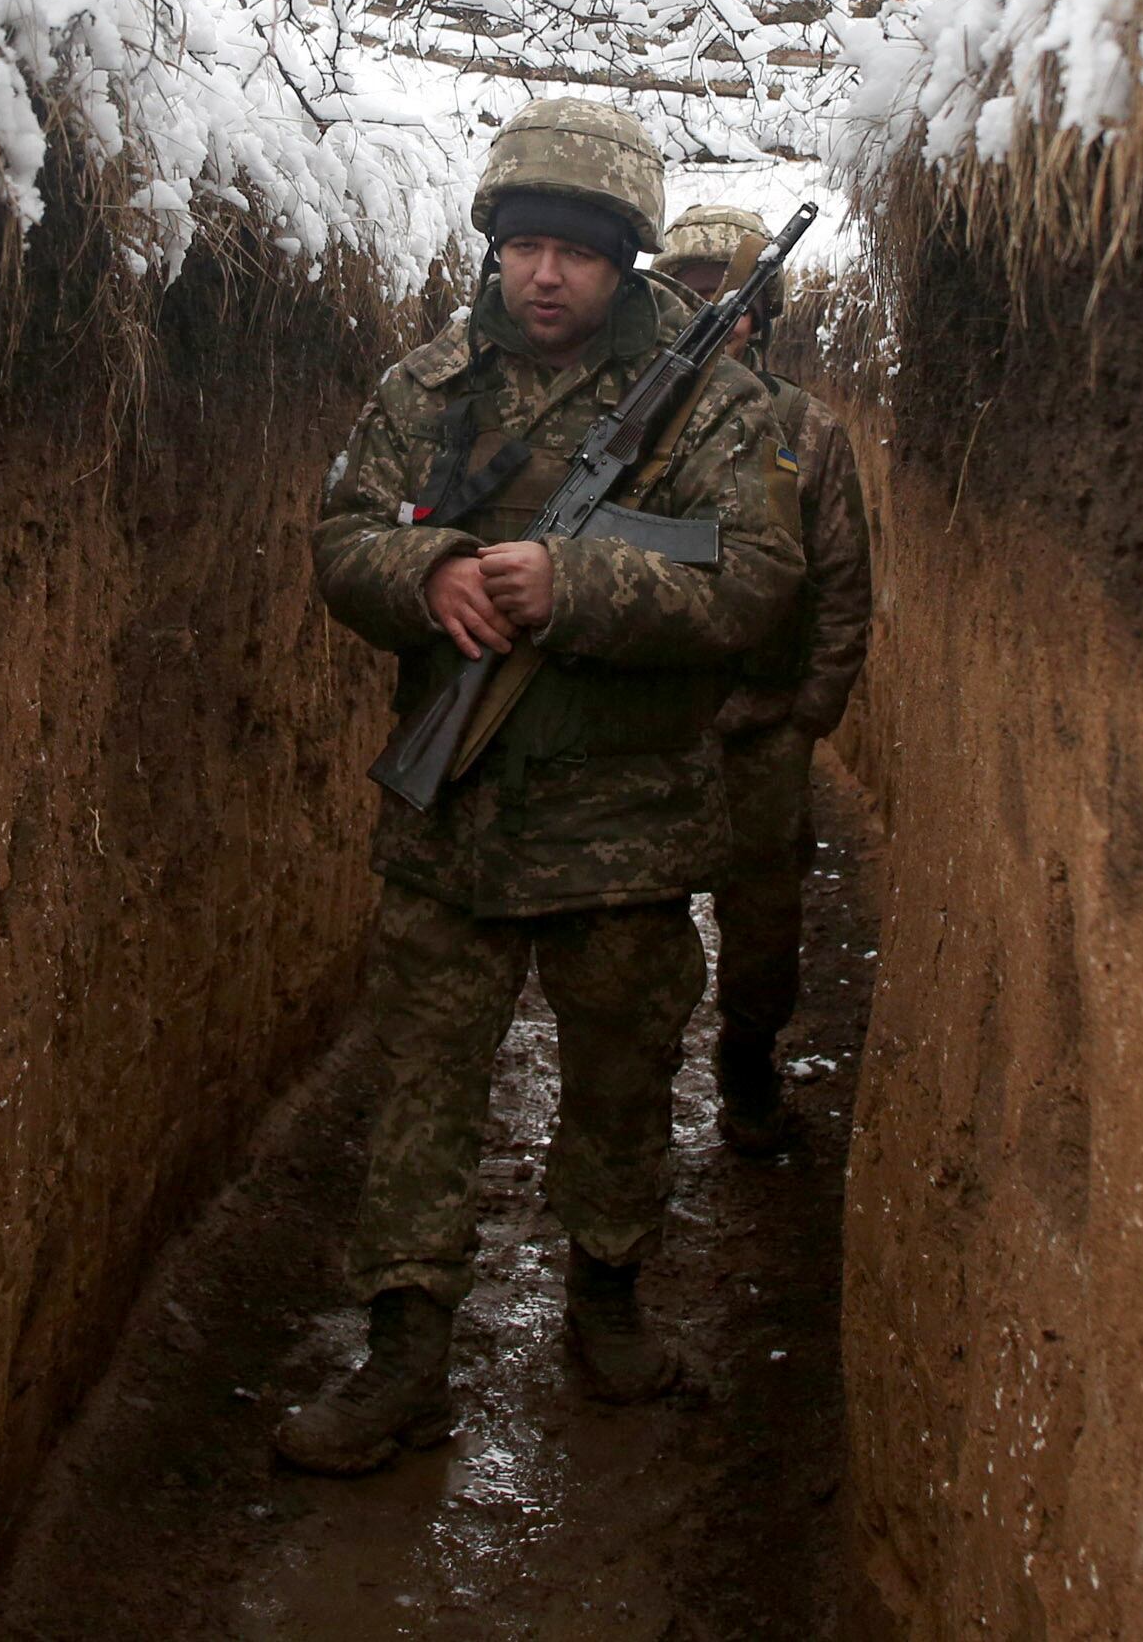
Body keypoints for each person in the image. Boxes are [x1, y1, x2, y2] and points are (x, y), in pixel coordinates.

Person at [280, 99, 804, 1476]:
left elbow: (752, 585)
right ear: (494, 246)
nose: (546, 274)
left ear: (627, 261)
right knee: (422, 1092)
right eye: (524, 243)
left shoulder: (717, 407)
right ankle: (403, 1354)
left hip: (625, 837)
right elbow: (341, 538)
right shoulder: (428, 387)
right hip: (451, 822)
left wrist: (578, 584)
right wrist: (428, 572)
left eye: (578, 249)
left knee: (625, 1085)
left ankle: (609, 1306)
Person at [655, 204, 873, 1156]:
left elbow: (842, 583)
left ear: (763, 316)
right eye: (692, 297)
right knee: (635, 930)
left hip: (764, 728)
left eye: (733, 302)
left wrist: (807, 717)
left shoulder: (806, 432)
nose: (716, 317)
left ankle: (747, 1067)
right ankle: (635, 1099)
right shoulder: (632, 420)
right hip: (650, 726)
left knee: (762, 931)